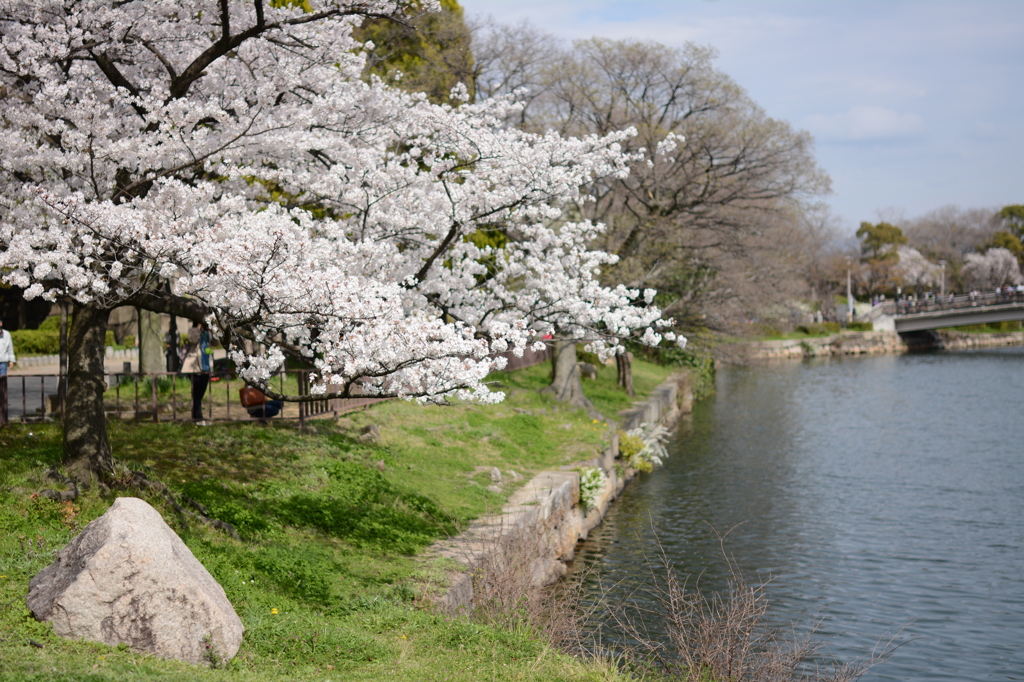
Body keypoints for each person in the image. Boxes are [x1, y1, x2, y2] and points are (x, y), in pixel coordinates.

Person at [181, 321, 212, 424]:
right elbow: (193, 340)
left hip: (206, 366)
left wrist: (213, 331)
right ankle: (198, 418)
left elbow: (217, 343)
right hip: (194, 367)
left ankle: (196, 417)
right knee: (196, 394)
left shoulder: (208, 332)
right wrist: (198, 329)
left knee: (200, 394)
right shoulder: (192, 330)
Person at [0, 317, 16, 426]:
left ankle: (3, 410)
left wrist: (11, 360)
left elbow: (10, 348)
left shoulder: (6, 334)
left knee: (2, 386)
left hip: (3, 363)